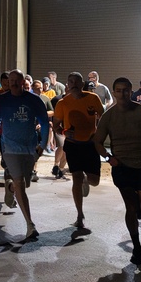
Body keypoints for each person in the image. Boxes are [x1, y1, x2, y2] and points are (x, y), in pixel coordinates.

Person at [92, 77, 141, 267]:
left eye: (126, 90)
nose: (122, 93)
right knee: (131, 208)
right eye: (118, 90)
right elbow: (97, 141)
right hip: (121, 167)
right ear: (114, 93)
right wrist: (108, 158)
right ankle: (136, 247)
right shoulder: (109, 116)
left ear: (131, 91)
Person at [0, 69, 49, 240]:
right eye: (11, 80)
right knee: (20, 182)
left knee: (24, 184)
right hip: (10, 147)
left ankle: (10, 188)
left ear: (23, 82)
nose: (14, 83)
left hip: (29, 147)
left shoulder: (34, 100)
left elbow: (45, 122)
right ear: (8, 82)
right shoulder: (2, 100)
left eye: (18, 80)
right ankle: (30, 225)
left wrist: (43, 144)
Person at [52, 72, 104, 236]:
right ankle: (80, 215)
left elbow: (103, 117)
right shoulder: (63, 103)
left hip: (90, 144)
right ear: (67, 85)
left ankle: (87, 182)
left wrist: (99, 134)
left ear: (82, 84)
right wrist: (64, 132)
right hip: (73, 145)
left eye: (77, 82)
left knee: (94, 181)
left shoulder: (92, 99)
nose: (74, 84)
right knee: (76, 177)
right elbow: (56, 125)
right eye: (71, 82)